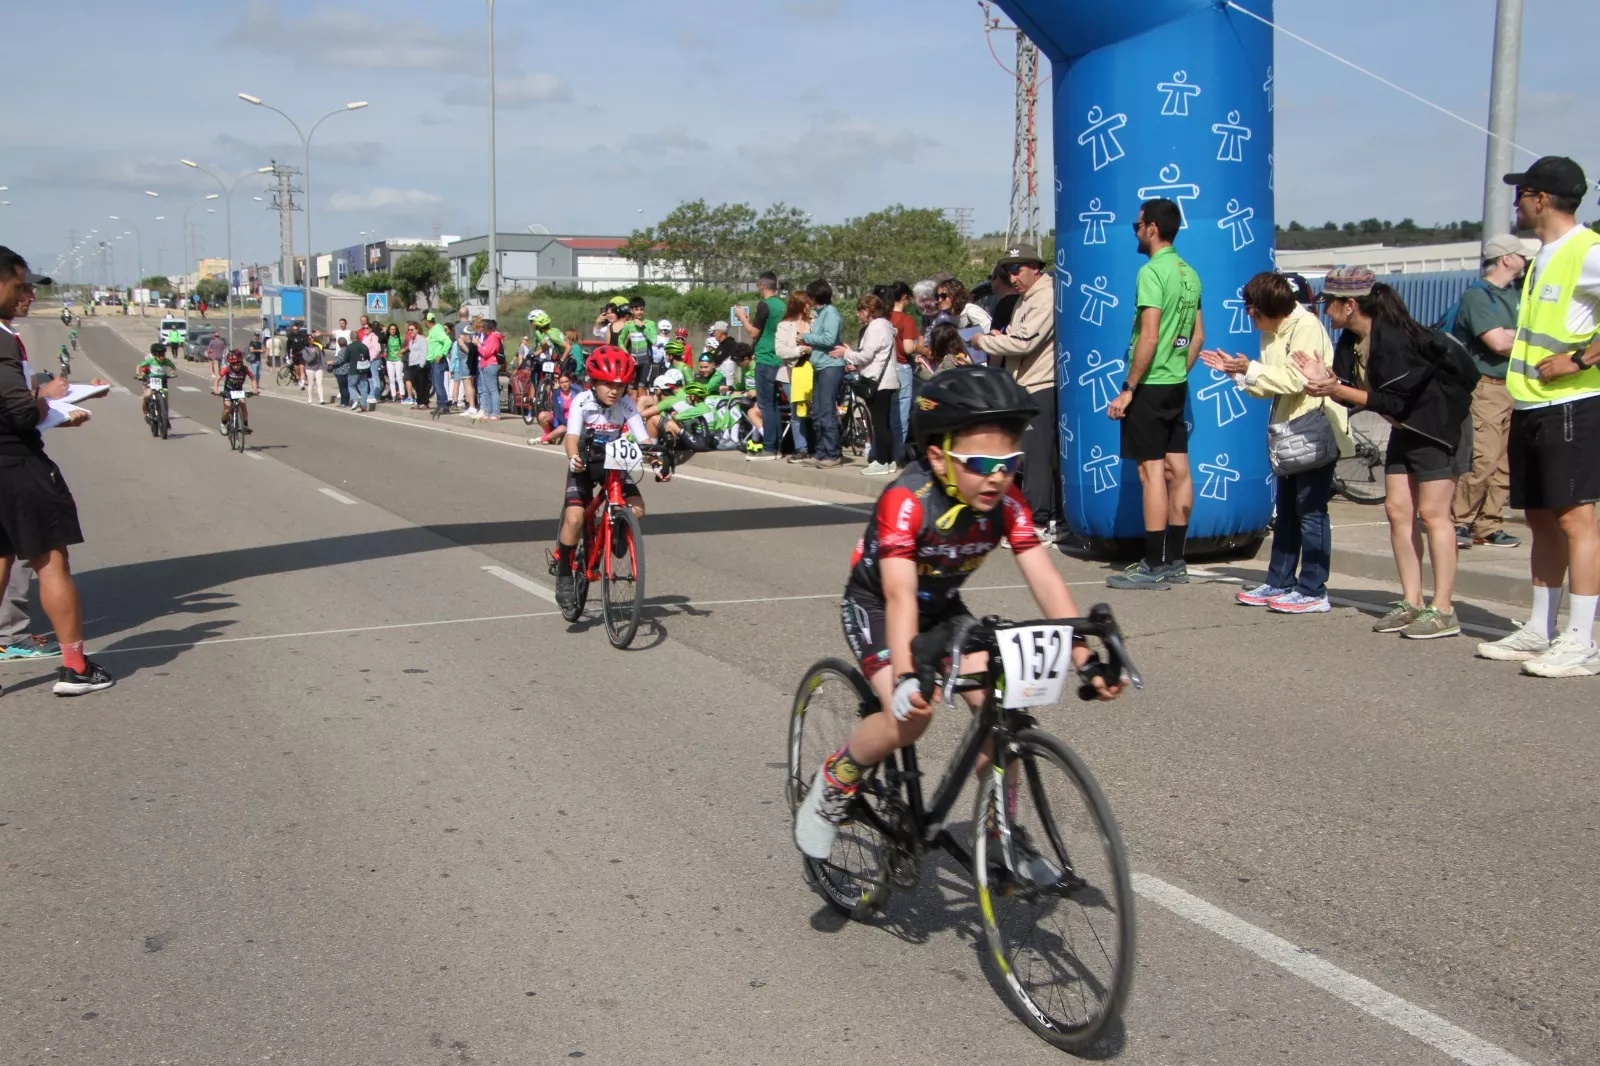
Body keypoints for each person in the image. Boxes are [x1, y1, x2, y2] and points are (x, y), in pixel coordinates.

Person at [793, 365, 1120, 859]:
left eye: (1008, 462)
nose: (997, 476)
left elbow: (1045, 579)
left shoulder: (1007, 504)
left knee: (1002, 705)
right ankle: (834, 785)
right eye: (978, 463)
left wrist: (1085, 658)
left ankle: (999, 833)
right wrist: (906, 676)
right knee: (910, 719)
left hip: (943, 606)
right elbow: (900, 596)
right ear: (937, 456)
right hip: (879, 605)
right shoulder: (907, 500)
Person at [1296, 267, 1473, 640]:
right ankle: (1411, 601)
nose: (1326, 310)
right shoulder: (1351, 340)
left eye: (1330, 303)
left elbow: (1390, 398)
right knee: (1397, 511)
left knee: (1434, 515)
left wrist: (1337, 391)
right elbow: (1345, 384)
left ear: (1350, 305)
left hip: (1436, 427)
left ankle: (1443, 609)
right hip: (1404, 427)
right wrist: (1323, 379)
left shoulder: (1395, 340)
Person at [1475, 156, 1600, 676]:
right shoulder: (1543, 256)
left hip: (1570, 403)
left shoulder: (1586, 251)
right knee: (1540, 519)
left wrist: (1578, 359)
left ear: (1542, 199)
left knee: (1577, 520)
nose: (1516, 203)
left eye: (1521, 193)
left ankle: (1581, 639)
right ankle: (1540, 628)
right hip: (1531, 403)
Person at [1200, 272, 1351, 613]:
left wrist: (1250, 368)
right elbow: (1267, 386)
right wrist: (1238, 373)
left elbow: (1299, 380)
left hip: (1313, 428)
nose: (1249, 316)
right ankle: (1280, 580)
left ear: (1268, 307)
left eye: (1252, 310)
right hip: (1286, 432)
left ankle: (1313, 588)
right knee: (1286, 511)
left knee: (1310, 510)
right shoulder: (1272, 332)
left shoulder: (1306, 326)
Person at [0, 247, 114, 696]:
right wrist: (53, 404)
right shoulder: (3, 339)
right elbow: (18, 411)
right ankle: (75, 668)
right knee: (51, 561)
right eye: (20, 285)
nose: (29, 295)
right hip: (17, 463)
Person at [1103, 203, 1204, 586]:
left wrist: (1129, 388)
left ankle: (1154, 565)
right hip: (1175, 383)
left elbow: (1148, 336)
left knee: (1150, 474)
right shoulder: (1190, 273)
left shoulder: (1151, 272)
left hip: (1150, 385)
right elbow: (1198, 336)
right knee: (1178, 469)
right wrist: (1177, 369)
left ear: (1153, 229)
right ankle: (1176, 561)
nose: (1134, 231)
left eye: (1137, 224)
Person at [552, 346, 657, 610]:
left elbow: (643, 437)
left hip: (613, 462)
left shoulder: (625, 403)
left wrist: (657, 461)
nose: (614, 391)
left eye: (620, 386)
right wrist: (572, 456)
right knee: (575, 518)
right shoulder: (582, 401)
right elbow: (572, 436)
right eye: (608, 385)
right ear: (594, 382)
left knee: (638, 510)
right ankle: (564, 573)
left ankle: (617, 527)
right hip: (585, 463)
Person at [972, 242, 1062, 544]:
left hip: (1041, 384)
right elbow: (1017, 338)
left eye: (1017, 269)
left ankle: (1038, 521)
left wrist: (985, 342)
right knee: (1029, 456)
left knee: (1037, 457)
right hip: (1025, 384)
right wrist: (1001, 338)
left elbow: (1026, 343)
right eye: (1007, 271)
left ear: (1035, 268)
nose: (1012, 278)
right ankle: (1043, 517)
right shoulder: (1026, 297)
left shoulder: (1046, 295)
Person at [1448, 234, 1528, 550]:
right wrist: (1527, 339)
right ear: (1506, 258)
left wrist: (1515, 336)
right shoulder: (1478, 297)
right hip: (1487, 388)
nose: (1526, 260)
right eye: (1521, 255)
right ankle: (1459, 521)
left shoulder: (1519, 294)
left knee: (1505, 461)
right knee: (1482, 457)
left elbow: (1512, 338)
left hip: (1515, 385)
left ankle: (1488, 524)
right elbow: (1497, 342)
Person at [833, 293, 900, 476]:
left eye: (859, 311)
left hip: (878, 382)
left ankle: (881, 461)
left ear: (867, 311)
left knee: (879, 424)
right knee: (883, 423)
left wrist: (846, 353)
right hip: (884, 381)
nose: (858, 315)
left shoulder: (876, 328)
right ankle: (889, 460)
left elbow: (866, 355)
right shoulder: (885, 326)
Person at [736, 273, 787, 460]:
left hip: (765, 357)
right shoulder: (782, 305)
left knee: (766, 405)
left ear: (761, 286)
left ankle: (770, 448)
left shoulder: (764, 304)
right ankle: (776, 445)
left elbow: (753, 333)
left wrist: (742, 317)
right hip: (778, 357)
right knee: (772, 405)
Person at [799, 279, 844, 467]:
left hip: (830, 367)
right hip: (819, 367)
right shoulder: (820, 314)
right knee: (817, 412)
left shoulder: (830, 313)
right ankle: (820, 451)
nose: (808, 300)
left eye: (809, 296)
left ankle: (832, 454)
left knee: (827, 411)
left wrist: (805, 337)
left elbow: (829, 338)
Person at [775, 289, 815, 464]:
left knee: (815, 411)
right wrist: (799, 350)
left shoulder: (815, 321)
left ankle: (818, 446)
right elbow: (780, 350)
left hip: (813, 371)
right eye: (807, 304)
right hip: (791, 374)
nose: (810, 307)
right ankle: (801, 448)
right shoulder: (784, 325)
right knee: (797, 412)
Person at [214, 349, 257, 433]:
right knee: (227, 409)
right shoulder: (227, 368)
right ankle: (223, 424)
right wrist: (216, 390)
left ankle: (245, 425)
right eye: (233, 364)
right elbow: (217, 379)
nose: (235, 366)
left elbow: (253, 378)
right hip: (228, 390)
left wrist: (254, 389)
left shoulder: (245, 369)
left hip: (238, 391)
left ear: (241, 362)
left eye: (237, 363)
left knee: (243, 406)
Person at [533, 369, 580, 445]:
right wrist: (564, 422)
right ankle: (549, 436)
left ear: (570, 382)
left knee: (562, 429)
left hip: (573, 420)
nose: (564, 384)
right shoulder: (557, 393)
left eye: (566, 382)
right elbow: (558, 412)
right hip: (561, 419)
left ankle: (542, 439)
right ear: (559, 383)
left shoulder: (577, 392)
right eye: (562, 382)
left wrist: (570, 423)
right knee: (542, 416)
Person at [478, 318, 504, 421]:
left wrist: (479, 345)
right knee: (487, 390)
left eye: (482, 327)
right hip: (485, 365)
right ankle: (489, 411)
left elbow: (486, 353)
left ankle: (496, 413)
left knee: (493, 390)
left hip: (491, 364)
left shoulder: (493, 337)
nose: (481, 329)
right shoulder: (488, 337)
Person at [427, 314, 451, 413]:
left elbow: (448, 341)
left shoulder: (437, 329)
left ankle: (444, 405)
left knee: (438, 383)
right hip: (433, 361)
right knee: (436, 384)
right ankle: (439, 404)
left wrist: (441, 354)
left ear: (427, 321)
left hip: (438, 361)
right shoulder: (433, 330)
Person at [346, 329, 373, 411]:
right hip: (364, 369)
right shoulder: (364, 346)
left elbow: (346, 358)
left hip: (354, 369)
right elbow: (368, 357)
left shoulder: (349, 347)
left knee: (351, 386)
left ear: (351, 338)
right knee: (364, 387)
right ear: (358, 337)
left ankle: (356, 400)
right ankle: (364, 405)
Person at [302, 331, 327, 404]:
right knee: (311, 383)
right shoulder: (305, 349)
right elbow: (308, 360)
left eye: (312, 338)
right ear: (307, 340)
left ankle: (321, 399)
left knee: (319, 383)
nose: (312, 340)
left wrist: (324, 365)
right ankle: (310, 399)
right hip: (310, 368)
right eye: (310, 339)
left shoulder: (317, 347)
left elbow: (321, 357)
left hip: (318, 367)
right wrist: (313, 354)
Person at [384, 323, 406, 402]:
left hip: (398, 360)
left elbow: (407, 345)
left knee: (399, 378)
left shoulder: (399, 338)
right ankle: (393, 395)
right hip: (389, 360)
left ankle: (402, 394)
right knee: (391, 379)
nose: (393, 331)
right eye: (391, 329)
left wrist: (402, 351)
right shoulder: (387, 338)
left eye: (394, 329)